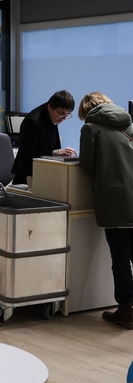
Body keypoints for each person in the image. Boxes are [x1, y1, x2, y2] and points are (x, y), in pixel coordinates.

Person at [77, 92, 133, 329]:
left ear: (86, 110)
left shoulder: (91, 128)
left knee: (120, 257)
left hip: (114, 198)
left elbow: (88, 164)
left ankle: (125, 310)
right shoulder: (129, 122)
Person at [11, 90, 77, 185]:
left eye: (68, 114)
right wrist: (55, 152)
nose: (64, 118)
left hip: (45, 172)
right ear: (50, 107)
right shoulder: (32, 121)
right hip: (28, 175)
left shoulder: (52, 116)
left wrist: (62, 153)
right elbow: (27, 154)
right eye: (61, 113)